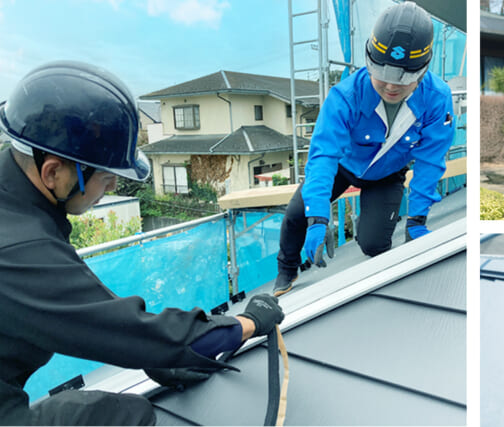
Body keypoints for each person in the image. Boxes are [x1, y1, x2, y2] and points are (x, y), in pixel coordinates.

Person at [0, 61, 285, 425]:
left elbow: (79, 298)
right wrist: (247, 323)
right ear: (52, 172)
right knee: (125, 417)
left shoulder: (17, 209)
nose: (114, 188)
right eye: (105, 177)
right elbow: (119, 327)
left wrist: (155, 357)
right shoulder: (18, 249)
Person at [274, 2, 457, 293]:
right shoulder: (345, 96)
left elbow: (430, 160)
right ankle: (286, 270)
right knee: (297, 214)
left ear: (422, 71)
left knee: (374, 245)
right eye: (382, 76)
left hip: (387, 174)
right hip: (343, 166)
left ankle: (375, 235)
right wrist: (318, 216)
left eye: (404, 79)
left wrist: (418, 218)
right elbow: (322, 156)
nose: (391, 87)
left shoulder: (437, 99)